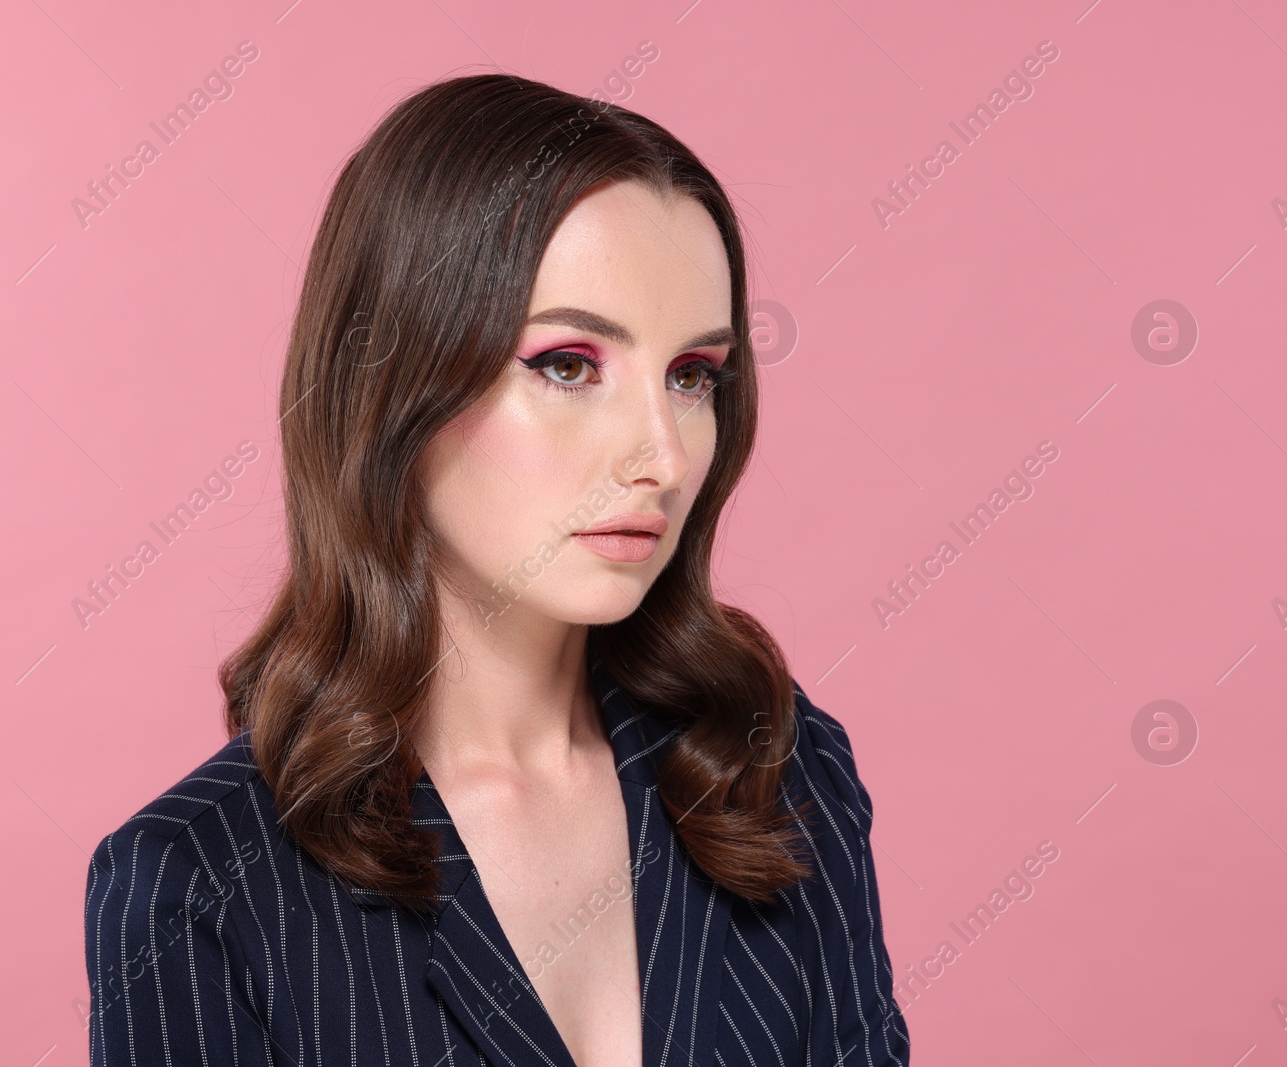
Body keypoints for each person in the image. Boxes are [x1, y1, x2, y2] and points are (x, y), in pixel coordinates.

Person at [84, 72, 910, 1066]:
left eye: (693, 375)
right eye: (567, 363)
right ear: (392, 382)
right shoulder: (199, 880)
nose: (660, 452)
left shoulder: (776, 768)